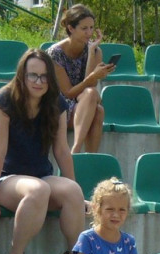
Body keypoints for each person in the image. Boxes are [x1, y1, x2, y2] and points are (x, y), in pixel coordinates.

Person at [0, 48, 86, 254]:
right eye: (33, 75)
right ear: (22, 76)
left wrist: (78, 196)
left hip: (40, 176)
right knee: (38, 190)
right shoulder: (5, 99)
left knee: (73, 191)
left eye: (44, 76)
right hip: (7, 179)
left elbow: (62, 150)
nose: (39, 81)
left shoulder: (56, 103)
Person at [47, 3, 115, 154]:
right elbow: (68, 93)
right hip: (58, 107)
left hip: (82, 104)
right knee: (93, 98)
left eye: (91, 28)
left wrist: (91, 53)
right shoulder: (55, 54)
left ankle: (89, 158)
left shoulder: (95, 51)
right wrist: (92, 77)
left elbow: (90, 85)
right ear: (71, 29)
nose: (89, 33)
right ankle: (76, 151)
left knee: (98, 109)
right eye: (84, 28)